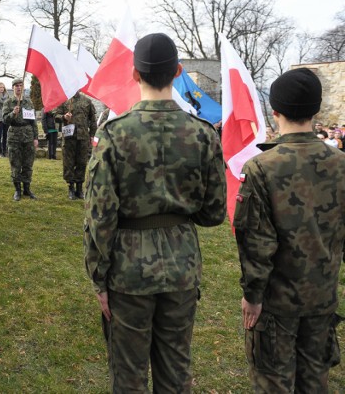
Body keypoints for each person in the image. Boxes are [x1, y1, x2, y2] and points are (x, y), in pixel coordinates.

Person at [84, 32, 226, 393]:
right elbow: (214, 213)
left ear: (135, 75)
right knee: (176, 369)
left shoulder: (114, 135)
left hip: (127, 271)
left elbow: (100, 216)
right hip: (181, 266)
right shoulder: (203, 135)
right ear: (178, 72)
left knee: (129, 374)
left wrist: (99, 277)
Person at [235, 68, 345, 392]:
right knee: (314, 382)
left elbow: (257, 241)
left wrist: (252, 296)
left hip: (276, 304)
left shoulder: (261, 167)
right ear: (316, 110)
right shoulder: (340, 164)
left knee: (274, 384)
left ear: (275, 111)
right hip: (322, 299)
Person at [54, 92, 97, 200]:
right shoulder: (64, 100)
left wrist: (92, 135)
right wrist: (64, 117)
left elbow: (93, 120)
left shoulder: (87, 101)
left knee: (82, 162)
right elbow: (55, 116)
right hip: (69, 138)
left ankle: (79, 188)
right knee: (69, 163)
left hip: (83, 137)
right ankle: (71, 188)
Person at [2, 78, 39, 201]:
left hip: (28, 136)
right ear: (13, 88)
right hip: (14, 137)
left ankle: (27, 189)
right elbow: (5, 120)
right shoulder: (8, 102)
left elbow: (33, 121)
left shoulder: (29, 102)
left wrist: (35, 138)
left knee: (28, 164)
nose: (18, 87)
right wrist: (13, 113)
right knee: (16, 164)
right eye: (16, 85)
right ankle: (17, 190)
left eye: (20, 85)